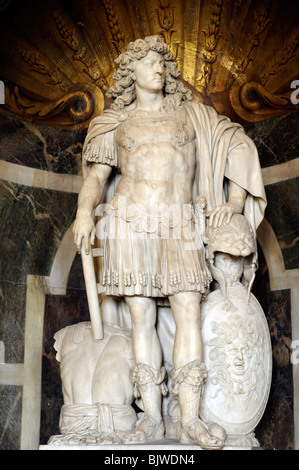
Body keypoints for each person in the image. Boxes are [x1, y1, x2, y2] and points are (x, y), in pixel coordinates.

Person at [73, 35, 266, 449]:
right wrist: (84, 212)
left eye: (163, 62)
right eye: (149, 62)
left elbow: (236, 145)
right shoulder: (114, 125)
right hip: (130, 222)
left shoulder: (191, 116)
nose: (159, 68)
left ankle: (191, 418)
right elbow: (95, 177)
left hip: (180, 223)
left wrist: (233, 204)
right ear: (131, 73)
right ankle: (152, 420)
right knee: (141, 318)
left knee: (188, 311)